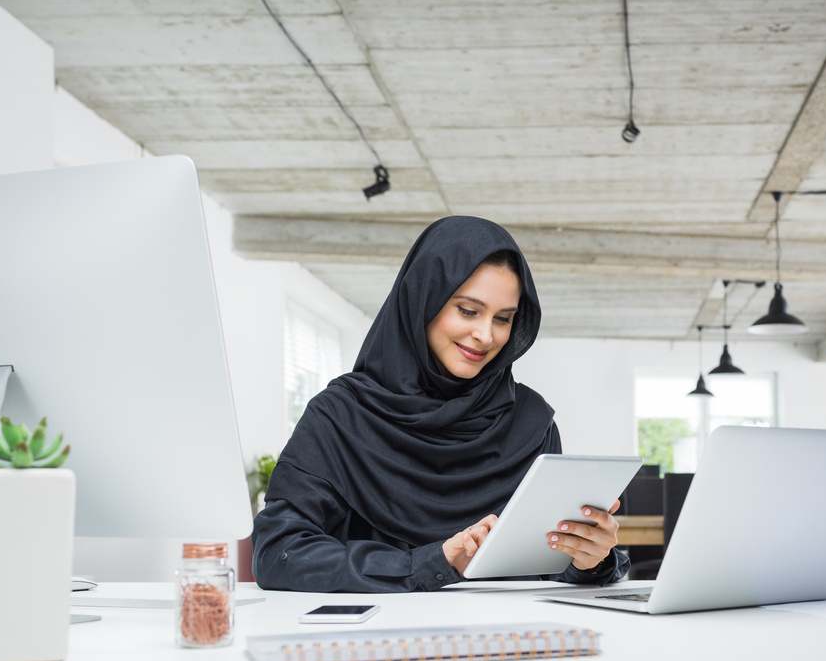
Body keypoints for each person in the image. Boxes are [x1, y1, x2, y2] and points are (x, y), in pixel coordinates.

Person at [252, 216, 629, 592]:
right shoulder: (339, 417)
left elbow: (545, 564)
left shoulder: (532, 424)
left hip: (508, 643)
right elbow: (278, 553)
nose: (485, 335)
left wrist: (589, 559)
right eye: (468, 310)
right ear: (422, 302)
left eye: (503, 318)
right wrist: (433, 562)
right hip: (378, 641)